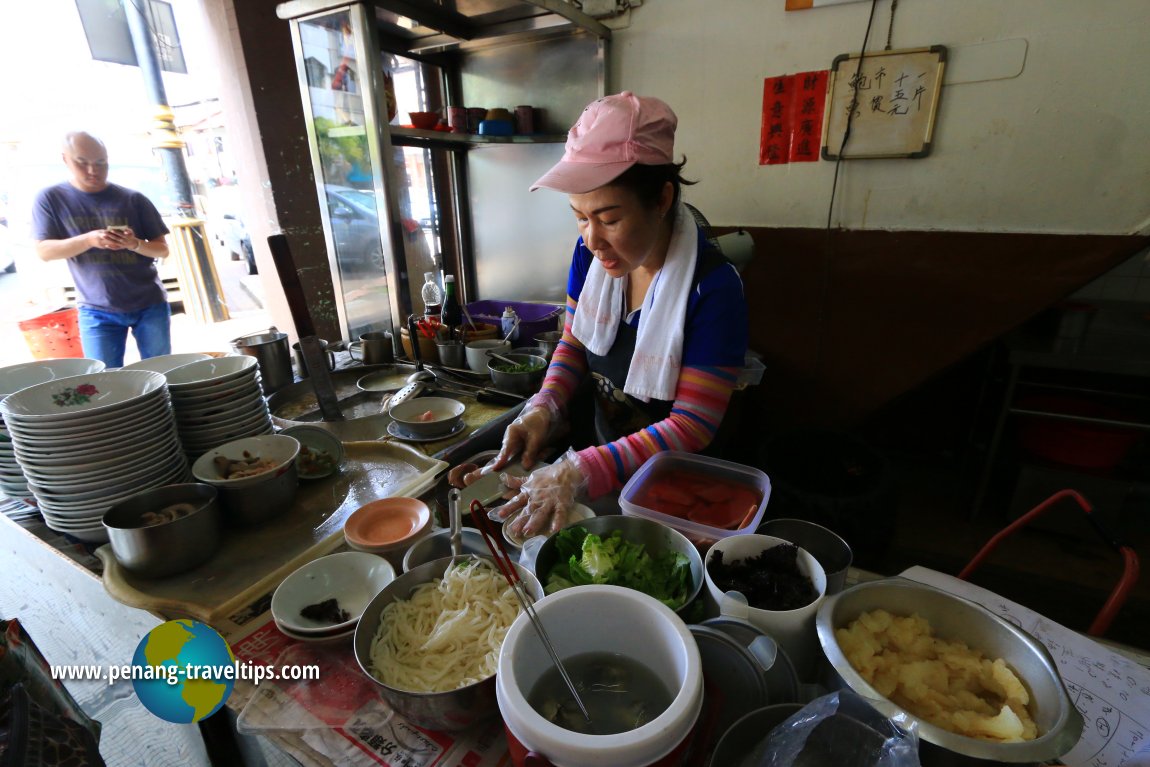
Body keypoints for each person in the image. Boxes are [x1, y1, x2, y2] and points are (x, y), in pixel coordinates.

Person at [452, 92, 748, 537]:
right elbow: (574, 340)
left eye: (609, 219)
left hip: (677, 495)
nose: (593, 240)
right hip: (600, 462)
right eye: (580, 218)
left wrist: (578, 469)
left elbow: (693, 423)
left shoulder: (715, 288)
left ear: (662, 199)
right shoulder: (589, 258)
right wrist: (545, 405)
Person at [32, 131, 172, 368]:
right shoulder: (50, 198)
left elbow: (162, 250)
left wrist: (134, 243)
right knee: (103, 380)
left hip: (149, 303)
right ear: (65, 159)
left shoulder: (133, 199)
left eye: (100, 163)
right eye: (82, 162)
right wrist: (89, 240)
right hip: (95, 309)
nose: (92, 170)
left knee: (162, 372)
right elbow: (44, 251)